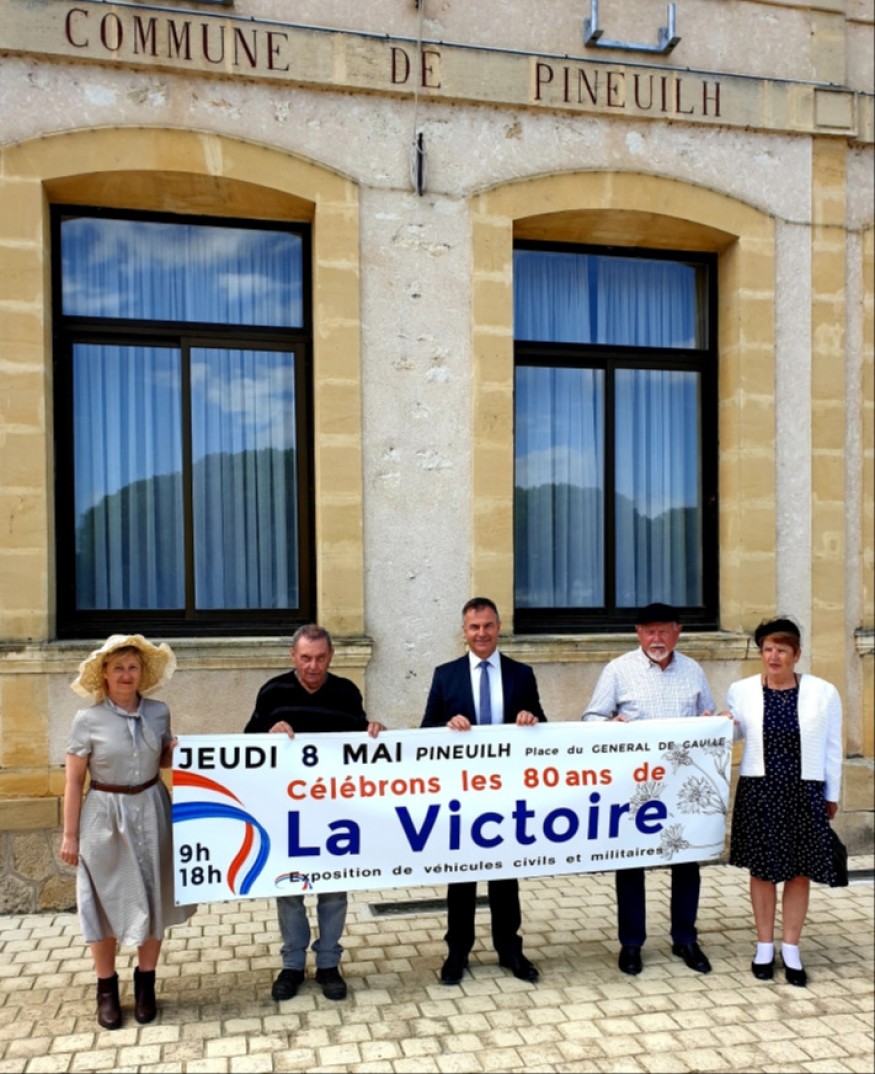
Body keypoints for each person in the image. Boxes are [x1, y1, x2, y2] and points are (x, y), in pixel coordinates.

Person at [60, 634, 196, 1030]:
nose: (125, 674)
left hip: (152, 809)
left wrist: (177, 751)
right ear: (104, 673)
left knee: (154, 894)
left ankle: (146, 985)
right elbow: (74, 782)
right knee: (103, 902)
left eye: (132, 667)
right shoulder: (87, 720)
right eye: (118, 667)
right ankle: (106, 989)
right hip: (105, 814)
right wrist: (70, 835)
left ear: (142, 672)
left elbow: (163, 759)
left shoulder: (158, 712)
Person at [244, 624, 384, 1003]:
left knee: (333, 888)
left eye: (320, 658)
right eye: (305, 658)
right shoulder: (272, 691)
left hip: (334, 812)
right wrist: (267, 734)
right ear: (293, 656)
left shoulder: (346, 692)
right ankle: (292, 964)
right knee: (289, 889)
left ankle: (328, 964)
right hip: (287, 811)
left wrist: (374, 731)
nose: (313, 666)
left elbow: (360, 743)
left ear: (331, 656)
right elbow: (245, 746)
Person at [582, 602, 716, 977]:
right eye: (649, 631)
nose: (657, 638)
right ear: (638, 634)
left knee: (686, 859)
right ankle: (631, 943)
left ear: (678, 631)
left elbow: (709, 716)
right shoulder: (618, 670)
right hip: (635, 784)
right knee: (631, 862)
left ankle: (685, 938)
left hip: (683, 785)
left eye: (664, 630)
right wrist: (611, 725)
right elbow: (590, 718)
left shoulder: (693, 671)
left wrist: (710, 721)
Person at [421, 596, 547, 985]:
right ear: (464, 631)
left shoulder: (521, 674)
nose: (481, 633)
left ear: (498, 628)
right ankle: (457, 951)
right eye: (474, 627)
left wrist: (531, 719)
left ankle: (510, 949)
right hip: (463, 794)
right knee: (462, 875)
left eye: (488, 626)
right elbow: (426, 731)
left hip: (507, 792)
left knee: (505, 874)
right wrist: (446, 726)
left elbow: (544, 726)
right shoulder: (446, 675)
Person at [725, 616, 843, 987]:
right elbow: (736, 732)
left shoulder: (823, 692)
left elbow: (833, 746)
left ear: (796, 654)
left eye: (781, 650)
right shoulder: (741, 691)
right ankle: (764, 946)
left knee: (798, 870)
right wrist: (722, 723)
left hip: (803, 790)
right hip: (760, 789)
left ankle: (790, 948)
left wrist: (832, 794)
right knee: (762, 870)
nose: (773, 656)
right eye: (767, 649)